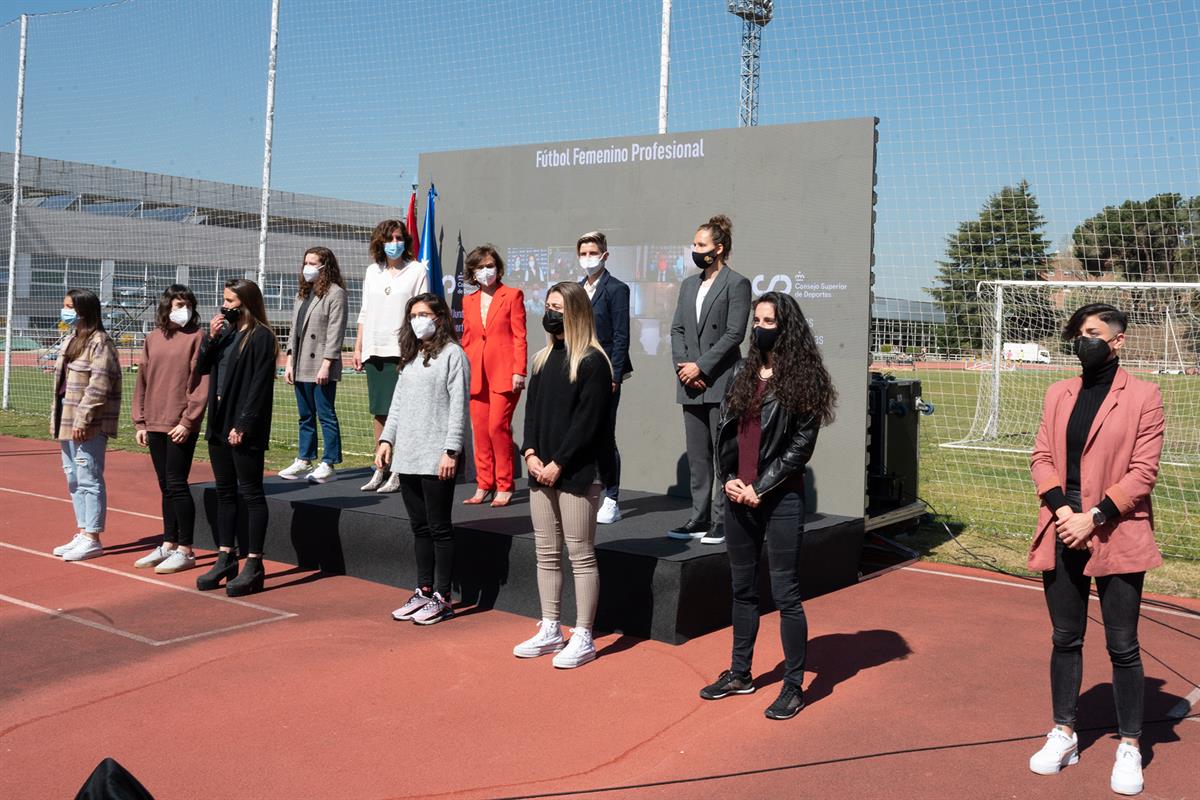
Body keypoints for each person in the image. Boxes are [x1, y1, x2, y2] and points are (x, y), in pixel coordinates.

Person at [1027, 303, 1164, 796]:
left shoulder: (1145, 395)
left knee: (1122, 645)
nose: (1083, 341)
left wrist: (1096, 516)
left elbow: (1143, 472)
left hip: (1116, 531)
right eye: (1078, 334)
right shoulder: (1057, 393)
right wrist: (1065, 512)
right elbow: (1041, 456)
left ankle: (1129, 744)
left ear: (1118, 340)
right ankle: (1064, 731)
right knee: (1066, 637)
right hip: (1063, 528)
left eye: (1092, 333)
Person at [698, 292, 835, 720]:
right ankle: (740, 674)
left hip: (780, 499)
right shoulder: (741, 370)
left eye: (768, 320)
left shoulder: (805, 377)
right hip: (739, 496)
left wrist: (763, 486)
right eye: (756, 319)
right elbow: (725, 431)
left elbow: (800, 447)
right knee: (742, 590)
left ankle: (794, 686)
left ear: (785, 326)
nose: (760, 326)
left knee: (786, 594)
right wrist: (731, 481)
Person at [514, 281, 615, 669]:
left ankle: (584, 634)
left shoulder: (592, 361)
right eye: (548, 305)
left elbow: (589, 424)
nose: (551, 313)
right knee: (546, 552)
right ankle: (551, 627)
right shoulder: (542, 360)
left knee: (580, 554)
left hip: (576, 475)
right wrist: (531, 453)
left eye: (558, 307)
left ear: (574, 313)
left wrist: (560, 463)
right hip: (542, 472)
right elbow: (534, 415)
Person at [377, 293, 470, 626]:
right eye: (413, 314)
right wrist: (387, 439)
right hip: (408, 455)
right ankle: (424, 589)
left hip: (436, 456)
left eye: (424, 314)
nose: (418, 320)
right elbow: (398, 404)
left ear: (440, 318)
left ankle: (443, 597)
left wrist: (451, 451)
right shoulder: (412, 356)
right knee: (419, 528)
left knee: (439, 528)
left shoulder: (453, 355)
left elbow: (459, 407)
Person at [668, 214, 751, 544]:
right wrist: (684, 367)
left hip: (719, 380)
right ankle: (697, 517)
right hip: (689, 383)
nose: (695, 249)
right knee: (697, 455)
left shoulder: (737, 284)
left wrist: (701, 367)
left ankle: (721, 520)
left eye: (700, 245)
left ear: (718, 248)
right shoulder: (689, 285)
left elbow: (734, 334)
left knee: (722, 454)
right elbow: (677, 329)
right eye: (694, 244)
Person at [194, 279, 278, 597]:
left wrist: (243, 424)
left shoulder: (261, 337)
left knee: (251, 494)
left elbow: (259, 387)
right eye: (224, 299)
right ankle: (226, 556)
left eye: (230, 300)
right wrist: (211, 339)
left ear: (245, 302)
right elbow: (202, 368)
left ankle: (254, 563)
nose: (225, 305)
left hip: (244, 426)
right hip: (218, 423)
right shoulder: (226, 334)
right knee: (225, 493)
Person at [131, 285, 209, 573]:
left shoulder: (198, 338)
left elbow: (200, 384)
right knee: (165, 486)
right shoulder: (152, 338)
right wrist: (140, 421)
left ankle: (186, 549)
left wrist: (187, 422)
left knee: (177, 483)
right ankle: (168, 543)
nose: (183, 310)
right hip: (154, 422)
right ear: (166, 307)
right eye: (177, 304)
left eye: (187, 304)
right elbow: (142, 380)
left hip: (179, 424)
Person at [354, 219, 428, 494]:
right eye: (389, 238)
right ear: (380, 242)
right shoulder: (373, 271)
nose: (394, 243)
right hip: (375, 349)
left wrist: (418, 347)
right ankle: (380, 468)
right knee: (380, 412)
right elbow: (364, 311)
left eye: (399, 238)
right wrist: (359, 347)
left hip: (403, 351)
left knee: (403, 413)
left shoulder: (416, 270)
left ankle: (399, 471)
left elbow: (423, 309)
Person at [49, 289, 122, 562]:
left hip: (86, 422)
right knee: (72, 477)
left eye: (69, 307)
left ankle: (93, 537)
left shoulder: (100, 342)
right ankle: (82, 531)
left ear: (84, 311)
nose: (65, 311)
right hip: (65, 418)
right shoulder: (72, 339)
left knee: (89, 477)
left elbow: (99, 385)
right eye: (64, 305)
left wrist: (84, 419)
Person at [460, 245, 527, 507]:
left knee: (497, 427)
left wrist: (518, 370)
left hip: (505, 373)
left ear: (498, 268)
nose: (486, 271)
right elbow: (468, 337)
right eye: (480, 267)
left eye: (490, 265)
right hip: (477, 372)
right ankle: (483, 484)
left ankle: (504, 484)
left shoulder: (512, 295)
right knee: (480, 431)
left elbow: (520, 335)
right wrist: (463, 369)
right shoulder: (469, 300)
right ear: (472, 272)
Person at [279, 246, 348, 484]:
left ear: (324, 266)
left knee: (325, 414)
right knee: (305, 415)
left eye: (312, 263)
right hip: (299, 364)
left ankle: (329, 462)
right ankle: (304, 458)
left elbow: (335, 332)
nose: (307, 267)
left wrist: (327, 364)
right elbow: (293, 331)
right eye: (305, 263)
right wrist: (289, 361)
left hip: (320, 364)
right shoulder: (302, 294)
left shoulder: (335, 293)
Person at [577, 231, 632, 524]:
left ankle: (611, 496)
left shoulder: (616, 289)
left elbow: (622, 335)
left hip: (606, 371)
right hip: (578, 371)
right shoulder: (575, 289)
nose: (588, 258)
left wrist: (616, 374)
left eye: (592, 253)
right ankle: (587, 488)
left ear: (605, 255)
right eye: (583, 253)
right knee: (581, 432)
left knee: (603, 434)